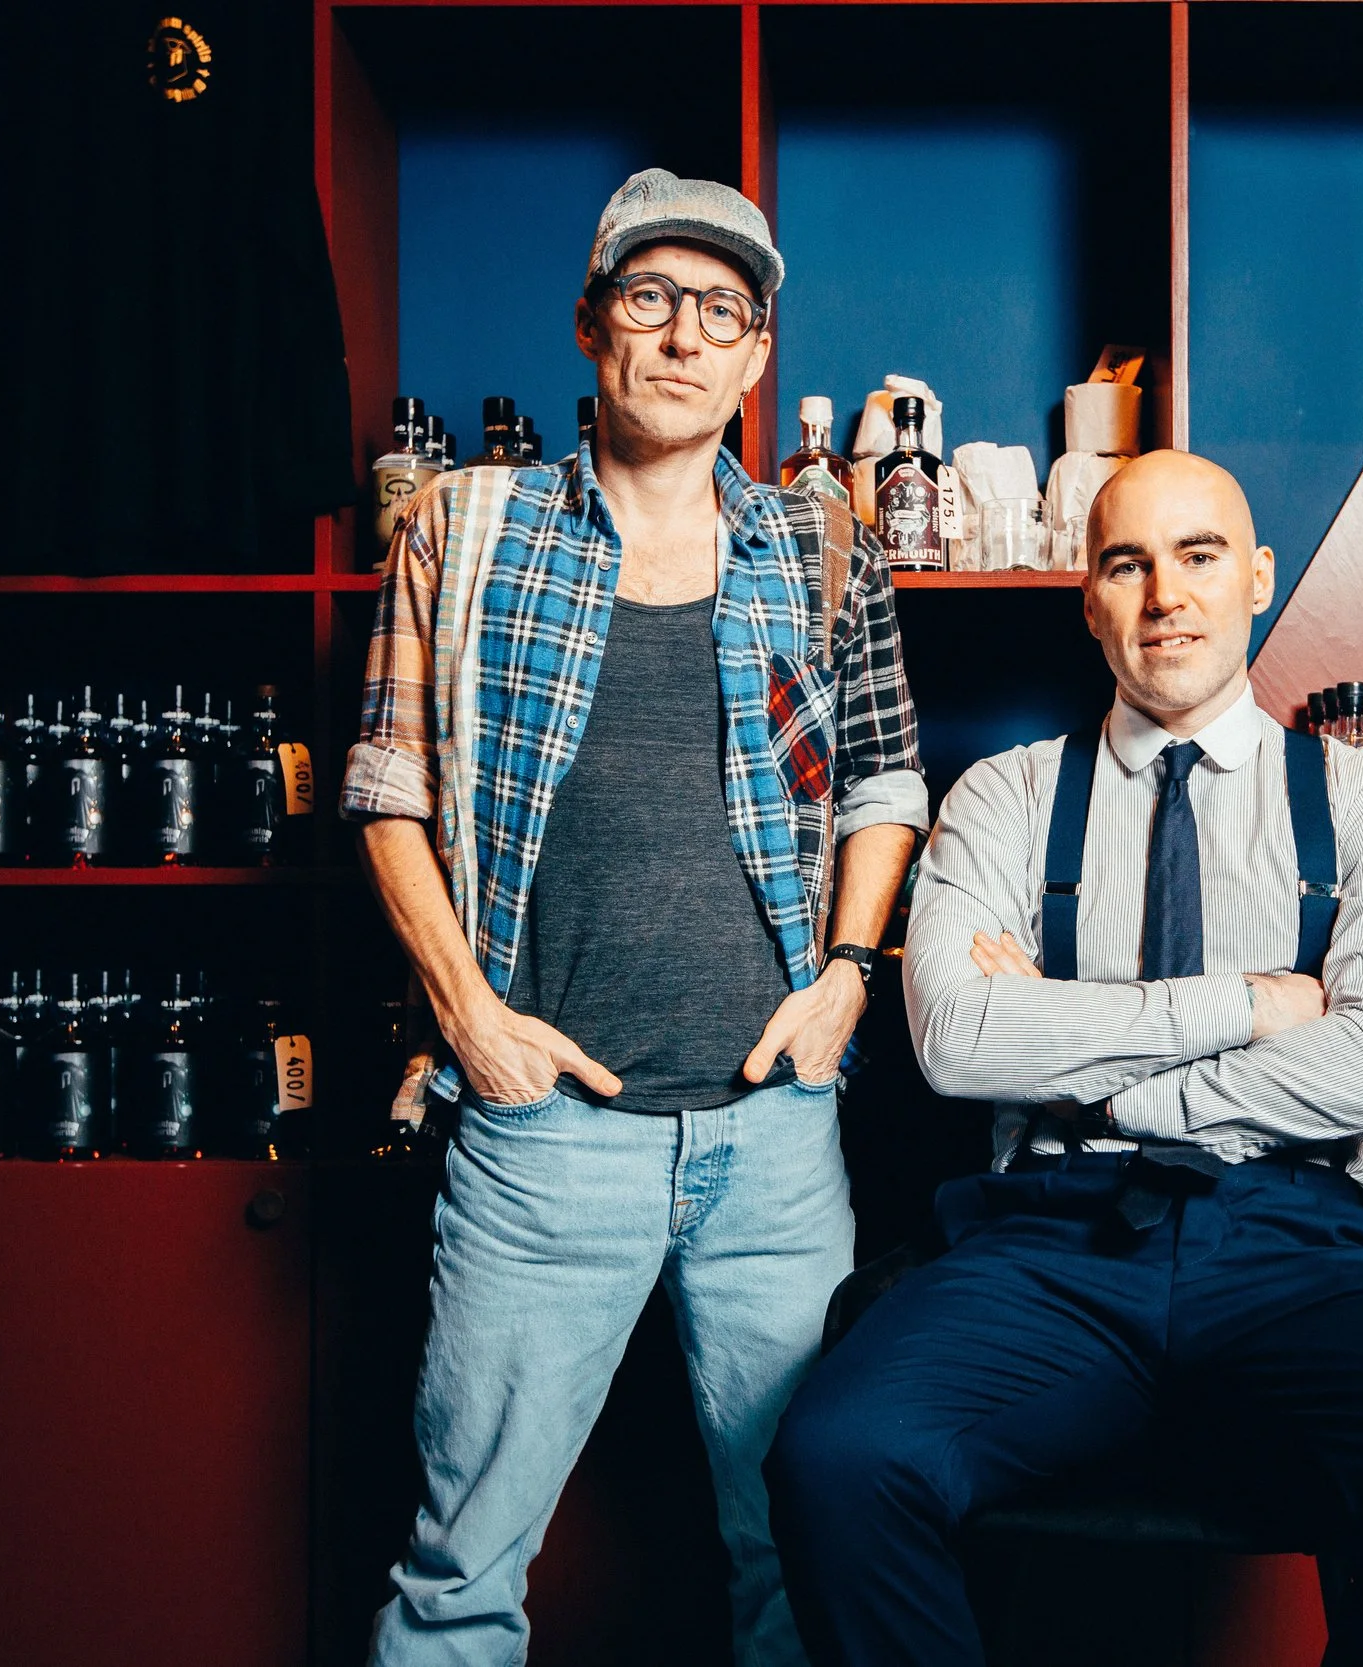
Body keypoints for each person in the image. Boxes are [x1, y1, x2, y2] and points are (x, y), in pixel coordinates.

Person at [765, 450, 1363, 1666]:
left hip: (1300, 1239)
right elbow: (959, 1040)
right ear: (1088, 598)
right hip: (1050, 1241)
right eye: (1127, 564)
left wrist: (1080, 1048)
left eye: (1198, 556)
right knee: (836, 1459)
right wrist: (1252, 1004)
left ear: (1257, 577)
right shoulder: (1004, 797)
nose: (1165, 595)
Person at [344, 168, 926, 1667]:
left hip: (775, 1141)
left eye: (720, 311)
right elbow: (388, 787)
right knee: (460, 1569)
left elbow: (884, 777)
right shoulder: (465, 529)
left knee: (800, 1546)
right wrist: (470, 1020)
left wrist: (849, 975)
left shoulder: (825, 543)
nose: (682, 336)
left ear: (755, 355)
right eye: (651, 297)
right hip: (543, 1141)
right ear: (591, 322)